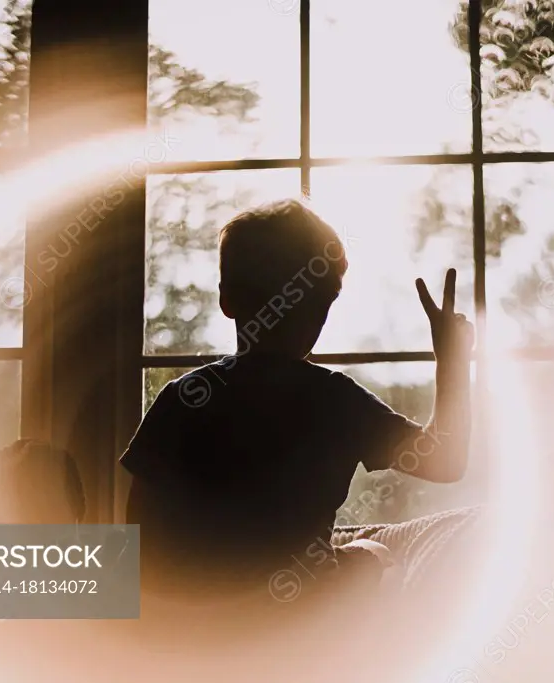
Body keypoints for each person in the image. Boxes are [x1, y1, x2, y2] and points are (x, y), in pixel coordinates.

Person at [121, 198, 473, 604]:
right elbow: (446, 460)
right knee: (379, 556)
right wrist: (452, 360)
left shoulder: (182, 399)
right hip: (294, 611)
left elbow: (139, 539)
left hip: (199, 621)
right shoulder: (336, 400)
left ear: (227, 299)